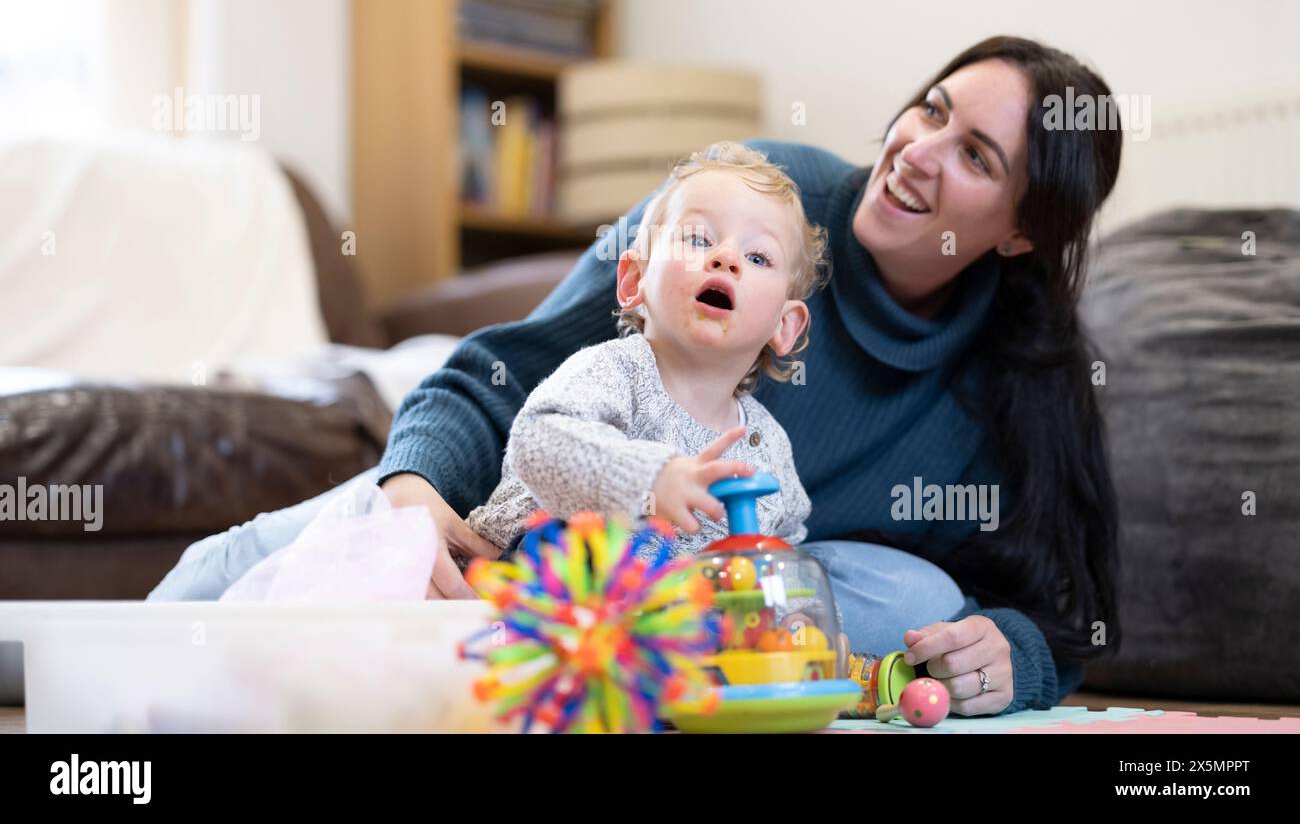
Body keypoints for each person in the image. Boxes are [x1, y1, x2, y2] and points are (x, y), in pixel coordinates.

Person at [150, 36, 1124, 718]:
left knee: (917, 595)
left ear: (1022, 230)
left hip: (706, 593)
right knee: (273, 569)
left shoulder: (1017, 381)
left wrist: (1017, 656)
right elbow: (510, 374)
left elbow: (1062, 608)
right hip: (537, 525)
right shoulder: (753, 202)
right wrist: (411, 490)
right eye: (931, 109)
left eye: (974, 156)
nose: (917, 153)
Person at [463, 141, 828, 562]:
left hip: (661, 617)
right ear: (635, 280)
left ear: (784, 326)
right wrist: (650, 479)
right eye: (698, 238)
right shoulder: (615, 371)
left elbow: (784, 543)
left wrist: (793, 611)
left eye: (759, 257)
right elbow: (536, 441)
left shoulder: (769, 446)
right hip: (530, 584)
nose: (727, 258)